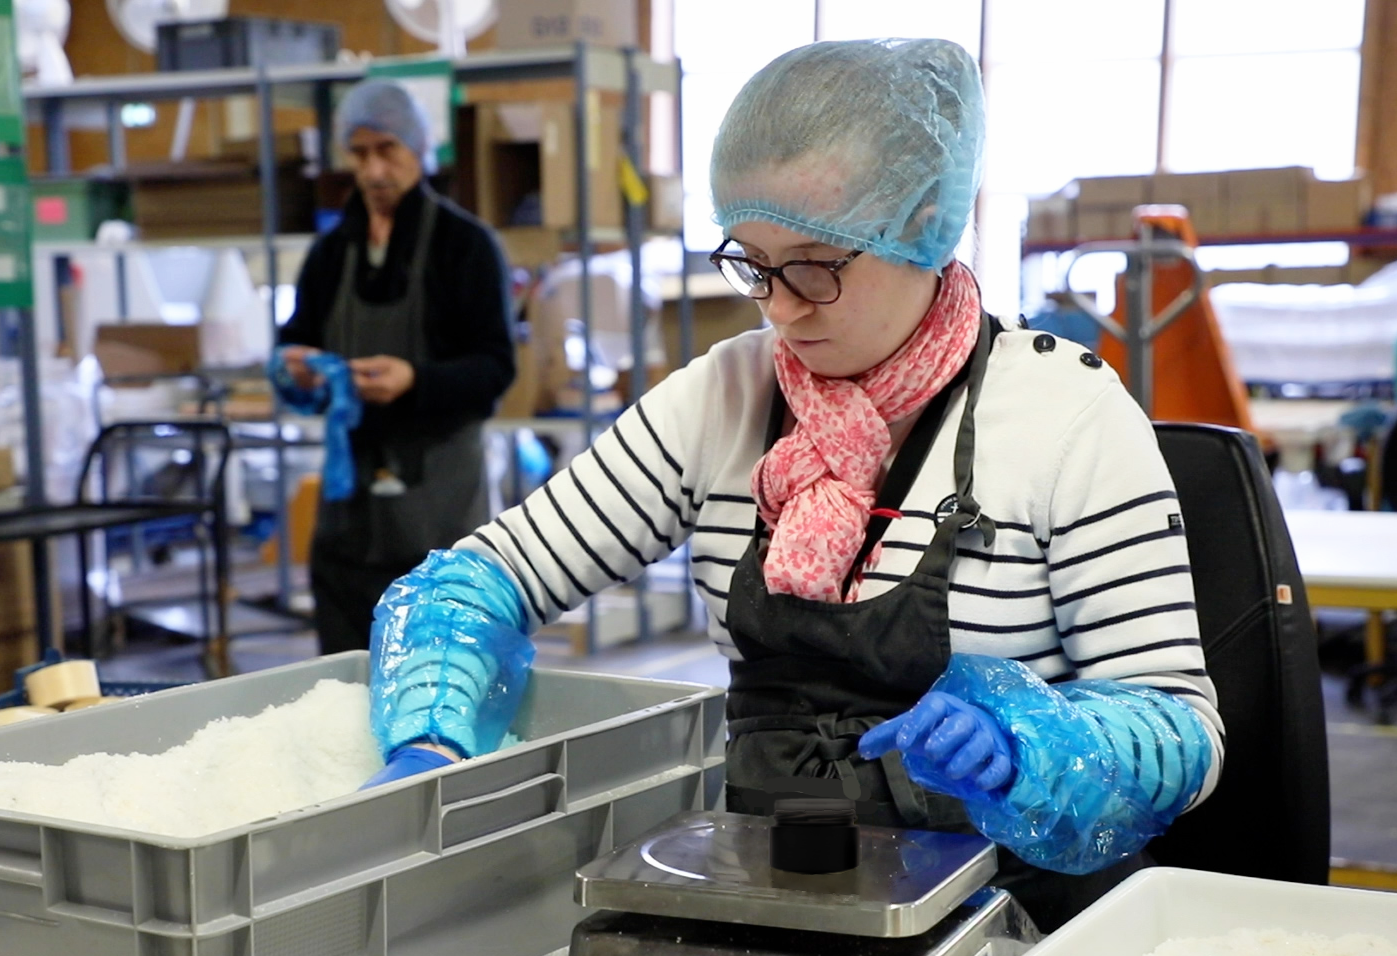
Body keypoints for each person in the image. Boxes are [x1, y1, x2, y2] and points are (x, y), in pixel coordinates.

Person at [364, 40, 1224, 932]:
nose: (778, 308)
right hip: (773, 898)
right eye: (754, 264)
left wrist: (1030, 746)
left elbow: (1183, 732)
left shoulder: (1063, 414)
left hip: (1014, 913)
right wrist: (432, 729)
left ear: (924, 223)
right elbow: (480, 582)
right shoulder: (727, 397)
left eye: (817, 266)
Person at [270, 80, 515, 654]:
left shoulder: (466, 246)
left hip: (435, 510)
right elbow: (296, 338)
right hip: (348, 509)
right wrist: (294, 367)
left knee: (432, 672)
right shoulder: (331, 254)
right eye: (360, 155)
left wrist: (415, 381)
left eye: (387, 151)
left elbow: (495, 368)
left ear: (418, 151)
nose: (374, 170)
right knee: (343, 678)